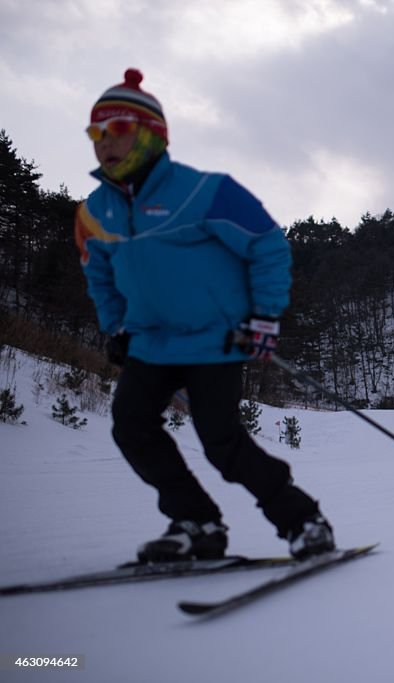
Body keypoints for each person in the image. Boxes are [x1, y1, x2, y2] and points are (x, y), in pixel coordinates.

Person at [75, 69, 335, 562]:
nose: (105, 144)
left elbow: (267, 246)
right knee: (131, 427)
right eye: (96, 133)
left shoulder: (205, 192)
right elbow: (99, 276)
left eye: (118, 130)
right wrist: (117, 326)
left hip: (217, 339)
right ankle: (197, 522)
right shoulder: (93, 214)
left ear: (152, 135)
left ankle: (304, 522)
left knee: (222, 442)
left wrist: (264, 316)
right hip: (150, 342)